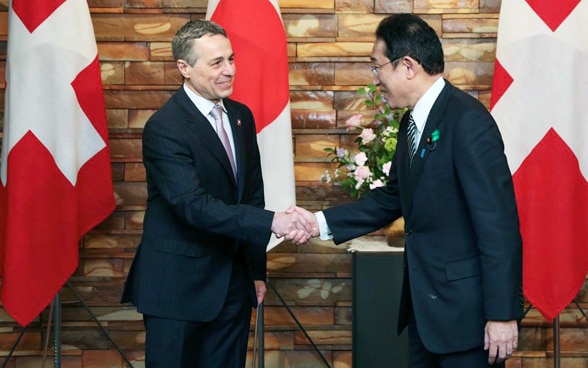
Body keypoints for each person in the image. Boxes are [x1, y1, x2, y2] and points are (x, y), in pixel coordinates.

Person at [292, 13, 523, 367]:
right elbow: (393, 198)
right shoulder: (411, 122)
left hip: (468, 319)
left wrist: (503, 314)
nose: (376, 79)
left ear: (408, 66)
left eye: (377, 67)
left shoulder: (468, 121)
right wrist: (317, 222)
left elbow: (499, 224)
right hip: (426, 313)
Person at [121, 19, 310, 368]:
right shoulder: (165, 127)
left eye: (231, 59)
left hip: (234, 285)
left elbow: (251, 194)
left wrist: (256, 270)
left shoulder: (241, 116)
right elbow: (194, 206)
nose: (229, 71)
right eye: (216, 63)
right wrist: (275, 223)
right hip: (177, 288)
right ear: (184, 68)